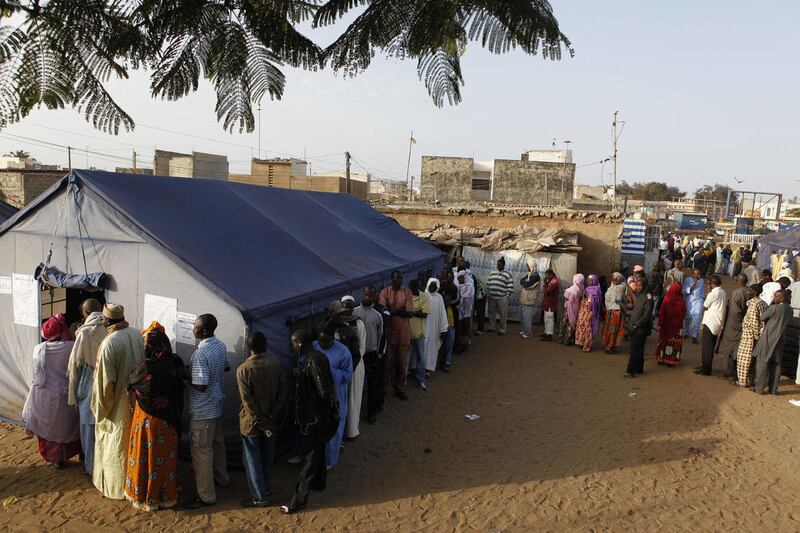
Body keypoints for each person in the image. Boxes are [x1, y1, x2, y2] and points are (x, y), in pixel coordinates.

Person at [124, 322, 185, 511]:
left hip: (146, 421)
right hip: (168, 421)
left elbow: (131, 385)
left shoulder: (144, 368)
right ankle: (166, 494)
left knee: (145, 457)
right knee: (164, 457)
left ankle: (144, 495)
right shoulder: (175, 362)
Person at [280, 330, 339, 515]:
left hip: (315, 420)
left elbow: (325, 391)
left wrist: (321, 416)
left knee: (310, 459)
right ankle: (319, 484)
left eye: (293, 342)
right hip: (315, 419)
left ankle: (299, 499)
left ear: (300, 342)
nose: (292, 346)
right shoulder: (311, 359)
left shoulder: (313, 360)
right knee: (317, 451)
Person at [91, 304, 145, 500]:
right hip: (137, 401)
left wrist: (101, 410)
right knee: (131, 445)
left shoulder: (109, 343)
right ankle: (132, 486)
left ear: (107, 321)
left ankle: (116, 488)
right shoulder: (136, 334)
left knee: (115, 448)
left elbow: (104, 383)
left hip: (116, 406)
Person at [21, 314, 81, 469]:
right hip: (65, 396)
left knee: (49, 429)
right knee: (66, 427)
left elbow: (36, 374)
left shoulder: (38, 349)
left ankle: (56, 459)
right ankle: (67, 456)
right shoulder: (71, 347)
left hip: (44, 398)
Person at [236, 331, 287, 508]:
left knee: (252, 460)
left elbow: (247, 400)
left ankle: (259, 497)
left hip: (251, 424)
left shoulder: (243, 370)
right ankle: (265, 488)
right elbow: (283, 393)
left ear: (249, 348)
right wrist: (271, 415)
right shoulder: (276, 364)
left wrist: (258, 420)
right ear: (265, 345)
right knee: (267, 456)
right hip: (271, 421)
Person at [185, 314, 231, 509]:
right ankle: (223, 478)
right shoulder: (220, 345)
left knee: (202, 452)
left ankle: (206, 496)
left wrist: (186, 374)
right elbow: (226, 367)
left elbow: (200, 386)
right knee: (217, 444)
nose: (193, 330)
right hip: (216, 404)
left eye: (195, 327)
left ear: (203, 331)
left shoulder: (200, 354)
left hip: (203, 410)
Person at [66, 298, 106, 476]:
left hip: (87, 386)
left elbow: (73, 366)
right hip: (107, 387)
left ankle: (91, 469)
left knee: (88, 432)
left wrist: (72, 394)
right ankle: (104, 468)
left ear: (86, 314)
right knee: (104, 430)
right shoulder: (111, 329)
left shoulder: (84, 333)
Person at [313, 322, 352, 469]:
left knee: (334, 427)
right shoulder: (314, 346)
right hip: (318, 394)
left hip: (336, 394)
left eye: (326, 341)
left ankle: (330, 461)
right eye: (320, 340)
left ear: (332, 338)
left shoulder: (343, 352)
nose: (322, 344)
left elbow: (347, 375)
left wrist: (329, 373)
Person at [378, 271, 414, 401]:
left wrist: (392, 311)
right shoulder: (384, 292)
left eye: (401, 278)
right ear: (391, 279)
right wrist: (400, 310)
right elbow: (383, 312)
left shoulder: (407, 292)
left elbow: (410, 313)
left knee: (401, 364)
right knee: (386, 363)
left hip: (403, 334)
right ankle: (382, 388)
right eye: (397, 278)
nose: (400, 281)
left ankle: (399, 388)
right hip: (388, 333)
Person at [353, 286, 385, 425]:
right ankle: (354, 417)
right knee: (356, 386)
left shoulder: (377, 315)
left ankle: (371, 412)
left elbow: (382, 335)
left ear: (374, 296)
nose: (367, 297)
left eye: (370, 295)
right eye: (365, 294)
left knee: (373, 385)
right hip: (357, 355)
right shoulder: (354, 312)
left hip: (371, 355)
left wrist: (379, 354)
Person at [753, 290, 794, 395]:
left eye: (776, 297)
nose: (774, 298)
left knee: (762, 363)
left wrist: (771, 303)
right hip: (780, 339)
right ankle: (773, 390)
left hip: (768, 338)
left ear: (782, 298)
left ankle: (759, 388)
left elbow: (762, 317)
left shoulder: (774, 308)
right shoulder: (790, 310)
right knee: (776, 364)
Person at [340, 296, 366, 439]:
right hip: (340, 369)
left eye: (350, 306)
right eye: (345, 306)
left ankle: (352, 430)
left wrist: (350, 367)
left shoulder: (358, 324)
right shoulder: (336, 323)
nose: (348, 309)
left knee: (353, 399)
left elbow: (361, 349)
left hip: (355, 367)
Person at [715, 274, 748, 382]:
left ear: (738, 280)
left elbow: (735, 312)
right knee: (736, 349)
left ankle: (728, 372)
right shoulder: (748, 291)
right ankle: (733, 371)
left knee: (728, 349)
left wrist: (737, 325)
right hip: (741, 324)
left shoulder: (737, 293)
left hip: (733, 326)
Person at [736, 284, 765, 387]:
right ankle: (751, 380)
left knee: (743, 360)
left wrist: (756, 337)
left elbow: (754, 323)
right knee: (752, 361)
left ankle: (743, 382)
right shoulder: (761, 302)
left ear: (755, 292)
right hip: (757, 336)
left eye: (749, 290)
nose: (747, 292)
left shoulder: (753, 304)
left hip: (749, 336)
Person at [697, 275, 726, 376]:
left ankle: (706, 369)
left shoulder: (713, 293)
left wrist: (709, 292)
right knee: (710, 347)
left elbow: (705, 306)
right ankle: (705, 367)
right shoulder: (723, 292)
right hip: (717, 323)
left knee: (706, 348)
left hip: (710, 323)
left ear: (711, 284)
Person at [625, 281, 654, 378]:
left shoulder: (648, 298)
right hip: (635, 326)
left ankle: (630, 371)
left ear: (645, 286)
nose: (638, 287)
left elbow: (646, 316)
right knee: (639, 349)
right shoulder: (640, 295)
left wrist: (636, 325)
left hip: (640, 328)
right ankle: (638, 369)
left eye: (640, 285)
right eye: (637, 285)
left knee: (634, 350)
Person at [424, 278, 449, 381]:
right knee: (423, 348)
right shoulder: (423, 296)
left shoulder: (439, 298)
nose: (432, 288)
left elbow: (443, 314)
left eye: (435, 286)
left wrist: (443, 329)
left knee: (431, 349)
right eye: (431, 286)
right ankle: (419, 368)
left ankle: (427, 369)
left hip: (434, 328)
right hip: (424, 327)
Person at [655, 283, 686, 366]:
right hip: (677, 327)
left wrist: (660, 323)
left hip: (666, 325)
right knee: (673, 344)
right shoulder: (682, 302)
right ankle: (671, 360)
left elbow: (662, 312)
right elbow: (683, 314)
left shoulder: (667, 299)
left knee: (663, 341)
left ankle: (661, 358)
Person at [407, 280, 430, 389]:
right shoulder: (406, 297)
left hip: (419, 333)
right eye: (411, 288)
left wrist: (412, 312)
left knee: (421, 357)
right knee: (406, 357)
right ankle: (404, 378)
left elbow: (424, 314)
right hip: (407, 332)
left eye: (415, 287)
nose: (412, 290)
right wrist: (417, 312)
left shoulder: (424, 297)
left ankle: (421, 379)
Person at [486, 257, 514, 335]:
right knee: (491, 313)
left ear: (503, 265)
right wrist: (488, 292)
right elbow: (488, 284)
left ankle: (502, 329)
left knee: (503, 314)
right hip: (492, 297)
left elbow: (510, 287)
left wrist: (506, 296)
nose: (498, 266)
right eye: (497, 264)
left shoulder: (507, 275)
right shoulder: (492, 273)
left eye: (500, 265)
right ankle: (491, 327)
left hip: (502, 298)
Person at [575, 274, 602, 352]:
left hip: (590, 311)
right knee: (582, 326)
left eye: (591, 280)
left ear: (595, 281)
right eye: (588, 280)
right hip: (583, 311)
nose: (589, 282)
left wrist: (590, 297)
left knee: (588, 327)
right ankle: (582, 342)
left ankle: (587, 345)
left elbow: (597, 301)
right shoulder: (586, 288)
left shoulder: (597, 290)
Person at [602, 272, 627, 353]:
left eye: (616, 280)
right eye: (613, 280)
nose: (614, 281)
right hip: (610, 311)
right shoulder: (611, 287)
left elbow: (619, 298)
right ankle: (608, 344)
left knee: (613, 329)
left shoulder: (622, 287)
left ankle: (610, 346)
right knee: (609, 328)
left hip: (616, 311)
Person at [558, 274, 585, 345]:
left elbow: (567, 297)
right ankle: (568, 340)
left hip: (568, 308)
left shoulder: (572, 288)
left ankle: (561, 339)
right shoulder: (582, 288)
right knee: (572, 322)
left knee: (564, 322)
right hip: (576, 308)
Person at [519, 259, 541, 339]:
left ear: (532, 266)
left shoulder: (536, 276)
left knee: (527, 317)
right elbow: (521, 281)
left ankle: (528, 333)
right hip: (524, 299)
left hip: (529, 300)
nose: (527, 267)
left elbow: (527, 285)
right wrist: (525, 283)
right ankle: (524, 330)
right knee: (523, 316)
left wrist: (525, 284)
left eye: (528, 266)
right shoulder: (529, 274)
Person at [683, 269, 705, 344]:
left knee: (697, 318)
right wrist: (692, 286)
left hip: (698, 301)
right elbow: (684, 291)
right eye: (697, 274)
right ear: (693, 274)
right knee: (687, 318)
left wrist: (702, 300)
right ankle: (686, 332)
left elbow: (702, 291)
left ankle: (694, 335)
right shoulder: (688, 280)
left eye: (699, 274)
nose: (699, 276)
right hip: (689, 301)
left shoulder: (701, 280)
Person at [455, 271, 474, 352]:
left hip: (466, 312)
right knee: (459, 329)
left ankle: (464, 344)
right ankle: (459, 345)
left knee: (465, 328)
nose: (460, 279)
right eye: (459, 278)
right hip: (458, 312)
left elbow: (468, 297)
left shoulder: (469, 287)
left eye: (462, 278)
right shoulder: (456, 286)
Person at [541, 270, 560, 341]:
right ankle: (546, 332)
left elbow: (547, 292)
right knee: (546, 318)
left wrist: (545, 284)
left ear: (550, 275)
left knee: (549, 319)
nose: (545, 277)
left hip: (550, 304)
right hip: (547, 303)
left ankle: (549, 335)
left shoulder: (554, 282)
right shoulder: (551, 281)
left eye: (546, 275)